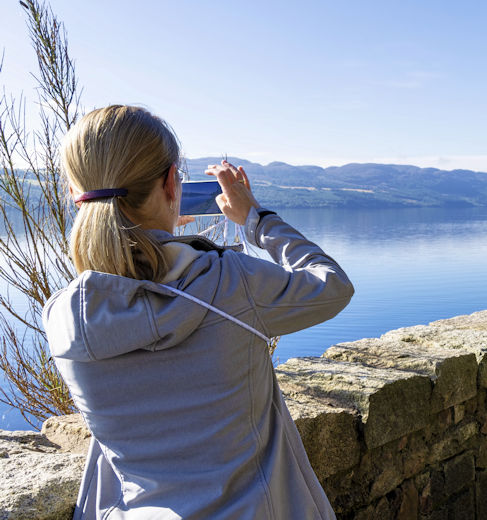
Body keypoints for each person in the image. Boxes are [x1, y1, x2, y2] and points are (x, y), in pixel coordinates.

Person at [42, 105, 354, 519]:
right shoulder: (229, 284)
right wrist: (256, 219)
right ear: (172, 183)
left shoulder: (65, 317)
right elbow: (331, 284)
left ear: (74, 194)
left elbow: (120, 284)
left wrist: (159, 243)